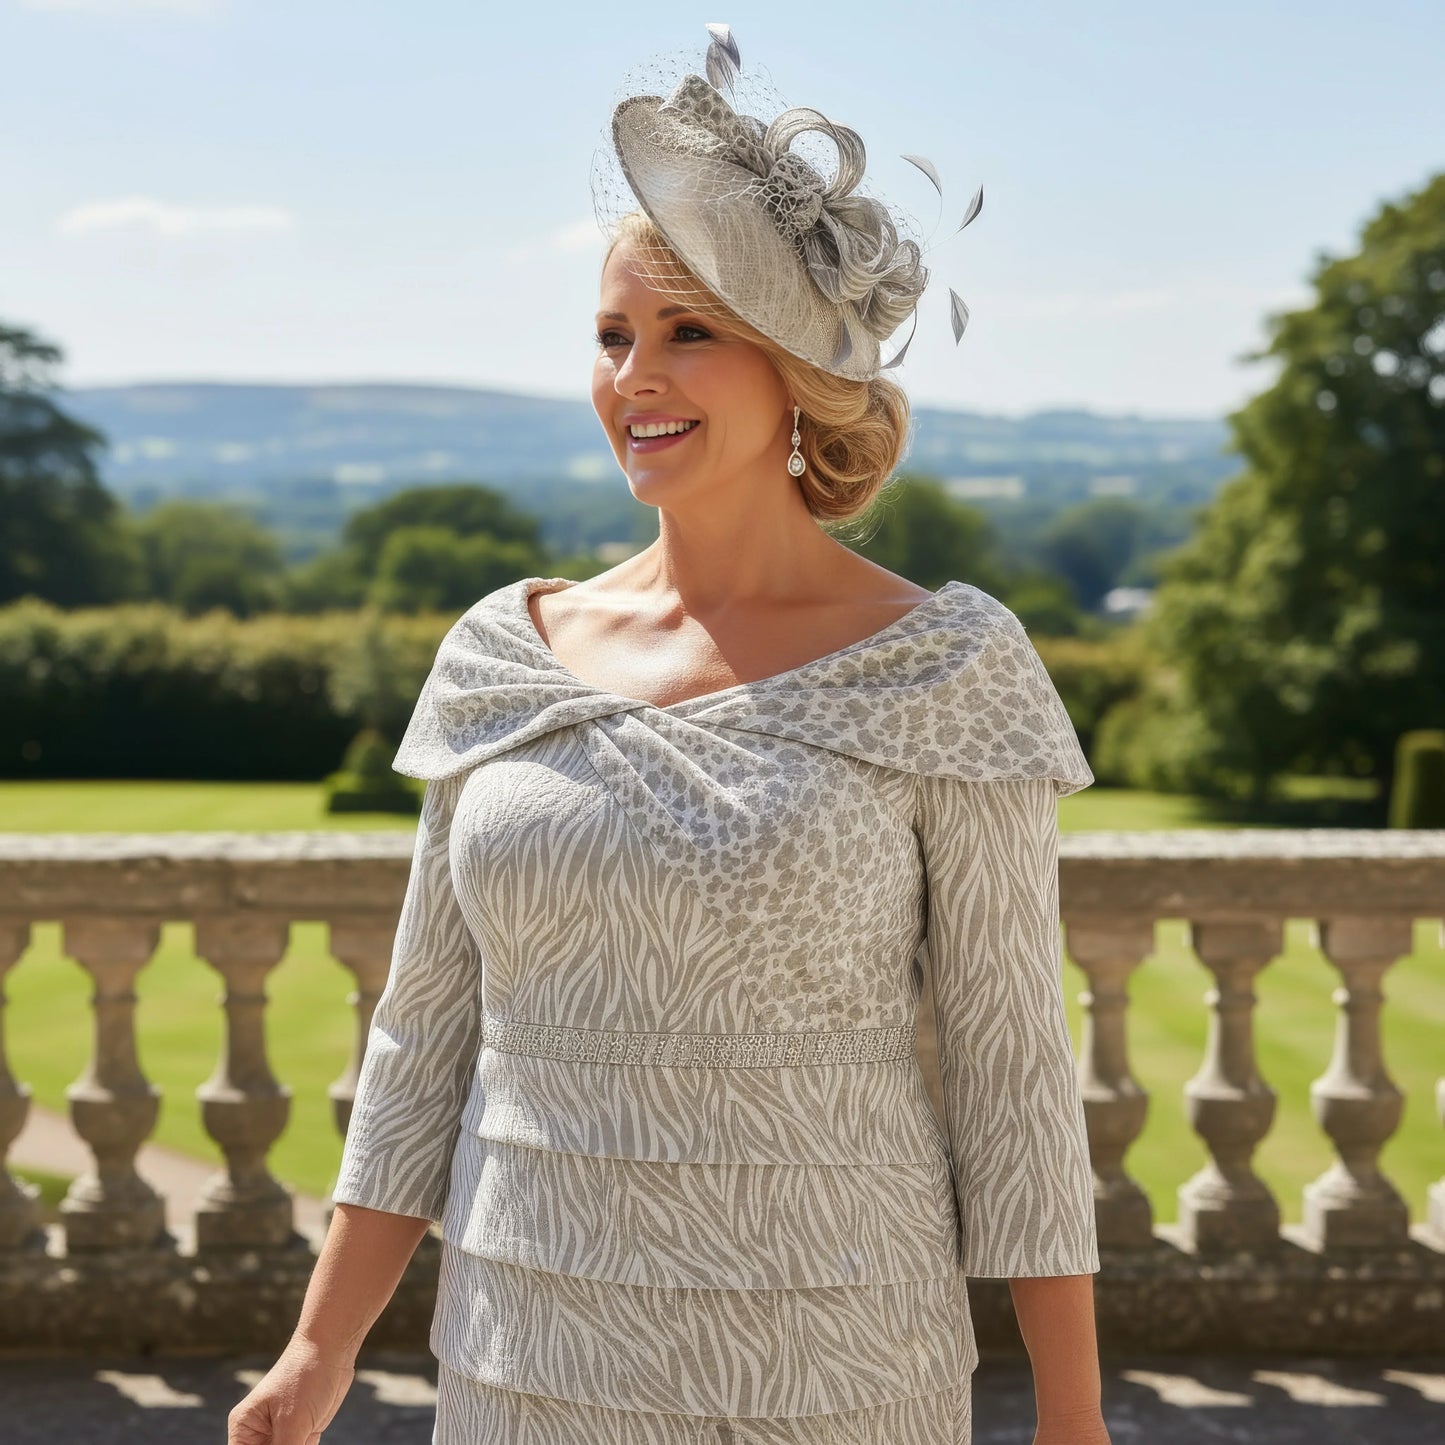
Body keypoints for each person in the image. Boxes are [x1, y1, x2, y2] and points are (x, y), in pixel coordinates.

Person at [228, 23, 1109, 1445]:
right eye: (612, 334)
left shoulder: (946, 665)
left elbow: (1012, 1074)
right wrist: (319, 1349)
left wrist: (1070, 1421)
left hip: (831, 1353)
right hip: (527, 1344)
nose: (635, 375)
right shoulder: (502, 654)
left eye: (689, 331)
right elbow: (421, 1040)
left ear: (797, 378)